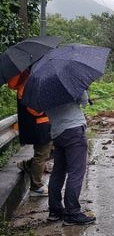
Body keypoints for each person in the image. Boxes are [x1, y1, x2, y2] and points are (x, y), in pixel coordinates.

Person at [46, 91, 95, 226]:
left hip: (57, 132)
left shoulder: (43, 90)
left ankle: (55, 211)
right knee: (76, 172)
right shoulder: (69, 83)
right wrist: (83, 89)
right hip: (73, 130)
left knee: (58, 172)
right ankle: (72, 212)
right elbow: (84, 101)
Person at [7, 71, 52, 197]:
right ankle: (36, 187)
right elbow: (34, 109)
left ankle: (26, 165)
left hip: (39, 124)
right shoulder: (29, 82)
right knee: (42, 155)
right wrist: (48, 106)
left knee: (47, 152)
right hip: (39, 124)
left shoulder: (26, 80)